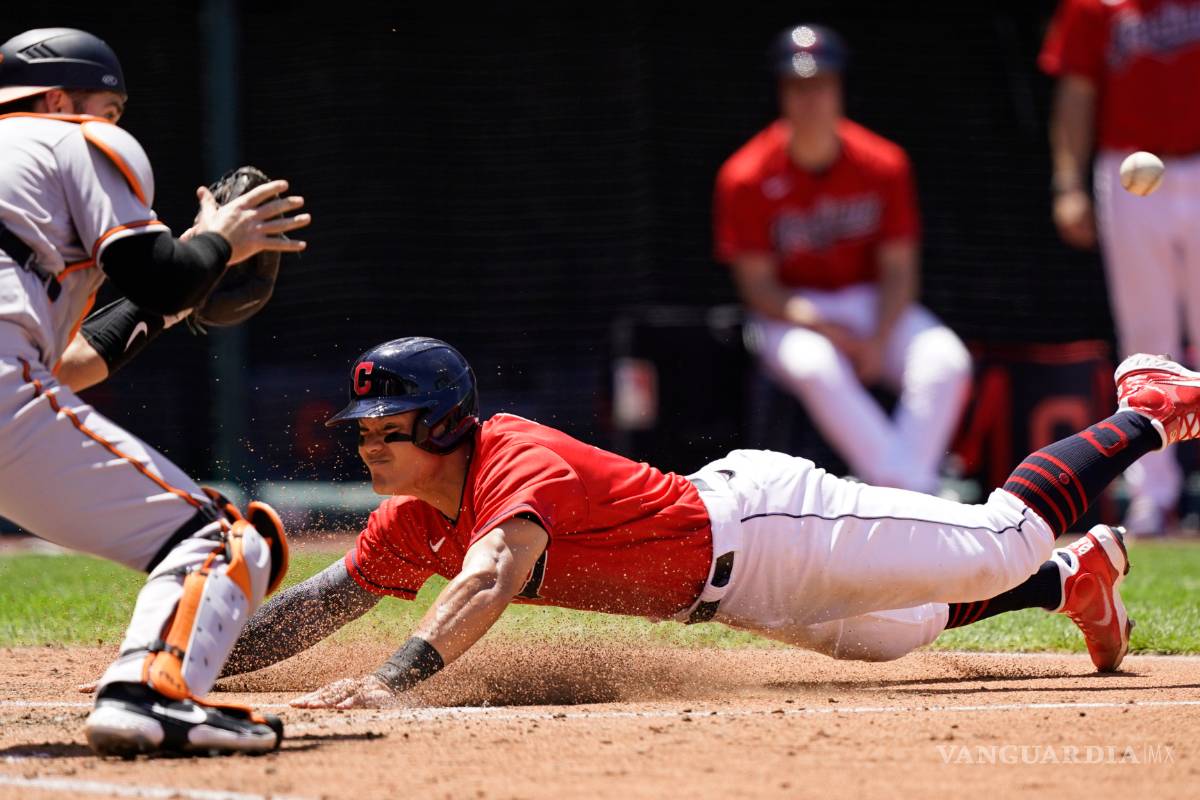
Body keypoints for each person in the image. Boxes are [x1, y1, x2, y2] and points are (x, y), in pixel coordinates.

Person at [216, 336, 1194, 709]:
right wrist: (201, 663)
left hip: (765, 525)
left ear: (442, 424)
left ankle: (1149, 407)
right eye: (363, 429)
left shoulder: (514, 458)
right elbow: (323, 604)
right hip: (733, 596)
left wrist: (391, 682)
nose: (369, 443)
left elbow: (491, 577)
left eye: (388, 426)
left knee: (996, 542)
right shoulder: (410, 520)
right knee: (901, 630)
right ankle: (1072, 581)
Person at [0, 27, 311, 755]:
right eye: (108, 106)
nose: (112, 121)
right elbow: (163, 274)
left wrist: (177, 292)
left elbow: (68, 364)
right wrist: (218, 239)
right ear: (57, 99)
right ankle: (150, 696)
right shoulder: (74, 137)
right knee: (221, 538)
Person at [713, 24, 971, 494]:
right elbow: (757, 286)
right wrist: (819, 324)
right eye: (798, 86)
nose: (810, 99)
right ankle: (914, 491)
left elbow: (899, 270)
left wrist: (879, 336)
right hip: (790, 312)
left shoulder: (883, 162)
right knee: (817, 365)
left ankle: (899, 492)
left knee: (945, 360)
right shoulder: (746, 175)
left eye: (821, 85)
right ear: (782, 93)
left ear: (839, 89)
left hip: (870, 302)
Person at [1041, 0, 1200, 535]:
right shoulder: (1095, 6)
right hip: (1129, 170)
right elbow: (1076, 92)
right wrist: (1068, 184)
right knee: (1146, 341)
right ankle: (1154, 495)